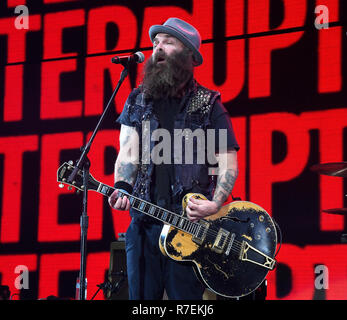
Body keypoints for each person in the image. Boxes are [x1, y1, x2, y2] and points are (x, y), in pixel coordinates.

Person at [108, 17, 239, 300]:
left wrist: (216, 204)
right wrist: (121, 186)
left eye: (168, 42)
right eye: (156, 42)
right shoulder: (137, 99)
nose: (158, 48)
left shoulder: (208, 104)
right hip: (143, 224)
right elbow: (127, 153)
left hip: (190, 229)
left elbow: (226, 161)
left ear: (188, 54)